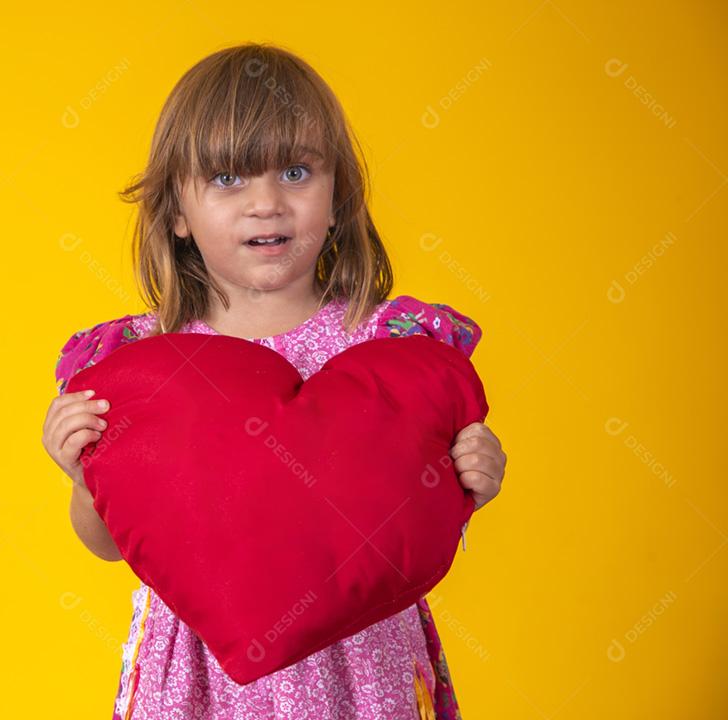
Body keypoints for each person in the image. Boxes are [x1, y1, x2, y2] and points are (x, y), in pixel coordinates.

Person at [42, 42, 507, 720]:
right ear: (177, 212)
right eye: (229, 179)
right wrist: (83, 478)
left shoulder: (389, 345)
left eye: (296, 171)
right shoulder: (138, 367)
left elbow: (418, 509)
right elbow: (112, 544)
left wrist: (475, 477)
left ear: (338, 197)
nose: (267, 204)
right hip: (202, 678)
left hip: (361, 665)